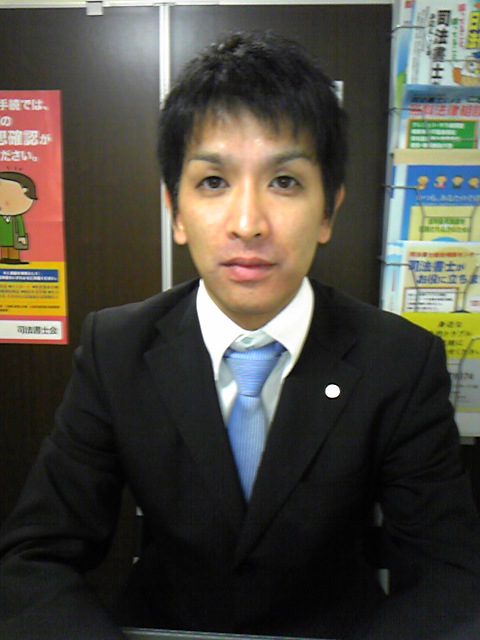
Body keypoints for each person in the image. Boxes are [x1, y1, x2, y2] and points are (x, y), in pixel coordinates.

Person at [1, 31, 480, 640]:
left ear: (328, 211)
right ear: (176, 211)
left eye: (285, 181)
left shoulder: (400, 361)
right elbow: (34, 558)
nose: (248, 224)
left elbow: (450, 575)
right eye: (213, 182)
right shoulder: (116, 349)